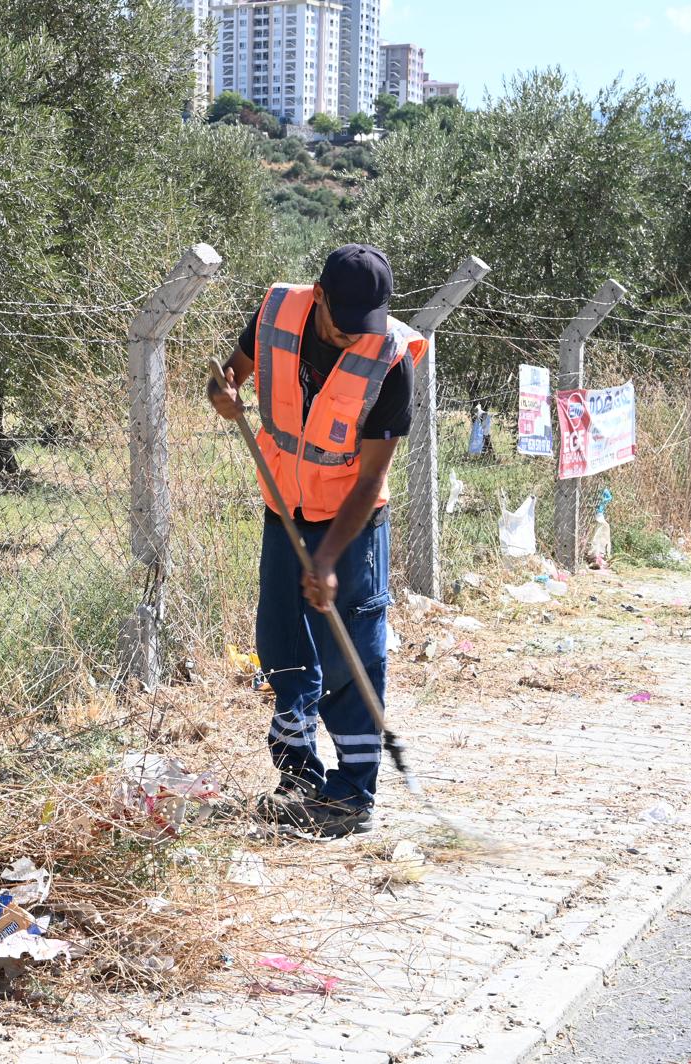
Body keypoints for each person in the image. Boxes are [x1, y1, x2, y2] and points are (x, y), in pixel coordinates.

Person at [208, 244, 427, 838]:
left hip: (353, 527)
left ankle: (354, 794)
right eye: (345, 320)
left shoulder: (390, 358)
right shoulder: (278, 313)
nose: (358, 335)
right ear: (320, 295)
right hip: (283, 507)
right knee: (281, 642)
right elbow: (230, 373)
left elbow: (374, 477)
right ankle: (299, 775)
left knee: (351, 651)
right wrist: (224, 395)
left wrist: (329, 556)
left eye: (369, 323)